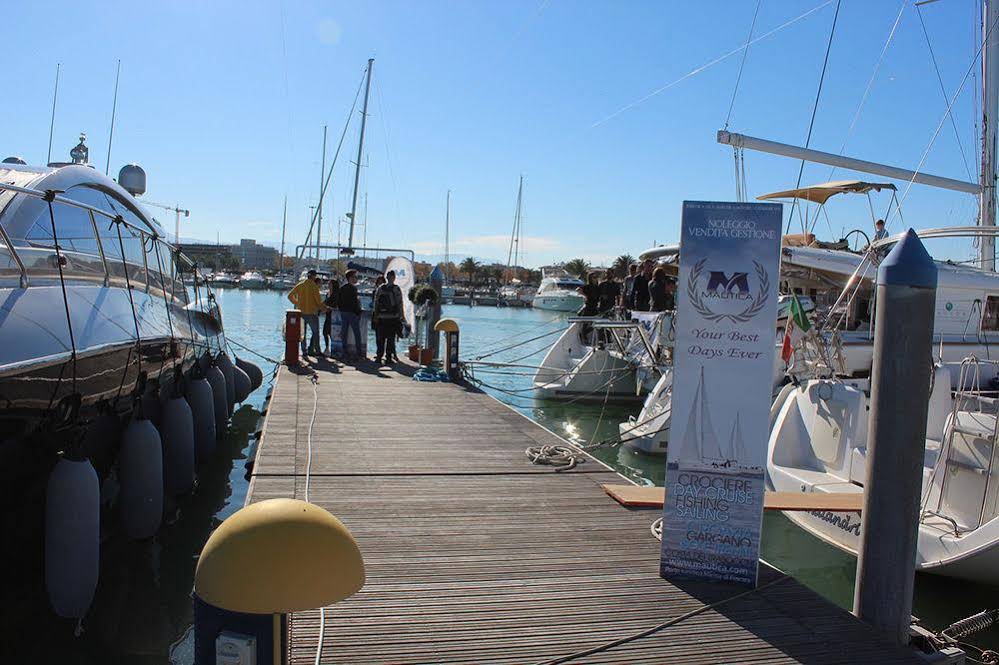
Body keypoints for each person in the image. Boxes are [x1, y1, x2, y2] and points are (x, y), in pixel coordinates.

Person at [287, 269, 326, 357]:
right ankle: (318, 351)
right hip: (312, 313)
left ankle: (304, 351)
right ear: (313, 276)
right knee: (315, 333)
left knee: (302, 333)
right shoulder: (314, 286)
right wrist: (323, 308)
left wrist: (297, 303)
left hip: (301, 313)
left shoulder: (300, 285)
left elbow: (289, 296)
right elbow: (318, 301)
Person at [373, 270, 405, 364]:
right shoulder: (396, 289)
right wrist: (401, 315)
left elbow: (376, 302)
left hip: (381, 317)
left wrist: (376, 315)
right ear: (394, 277)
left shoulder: (380, 288)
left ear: (387, 277)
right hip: (393, 317)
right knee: (390, 338)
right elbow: (399, 303)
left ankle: (379, 357)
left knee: (380, 338)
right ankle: (388, 357)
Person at [338, 270, 364, 360]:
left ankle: (344, 352)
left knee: (344, 333)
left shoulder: (342, 288)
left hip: (344, 312)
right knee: (357, 333)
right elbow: (354, 303)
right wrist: (358, 312)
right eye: (354, 277)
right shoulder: (353, 289)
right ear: (350, 278)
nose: (356, 279)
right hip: (352, 313)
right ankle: (359, 352)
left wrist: (341, 309)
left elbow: (339, 301)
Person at [322, 277, 341, 355]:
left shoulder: (336, 294)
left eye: (330, 284)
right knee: (325, 332)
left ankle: (334, 349)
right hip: (327, 314)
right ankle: (327, 348)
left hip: (334, 315)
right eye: (328, 284)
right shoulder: (327, 293)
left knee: (332, 333)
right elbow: (325, 302)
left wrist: (330, 308)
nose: (328, 285)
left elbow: (336, 305)